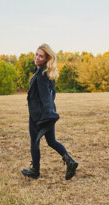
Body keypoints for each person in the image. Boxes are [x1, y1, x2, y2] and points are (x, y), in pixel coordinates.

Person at [22, 43, 78, 180]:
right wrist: (50, 113)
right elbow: (52, 95)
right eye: (36, 54)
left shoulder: (41, 75)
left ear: (47, 59)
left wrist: (47, 115)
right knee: (51, 141)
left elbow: (47, 97)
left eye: (41, 56)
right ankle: (70, 161)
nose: (37, 58)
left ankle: (35, 170)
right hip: (47, 113)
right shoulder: (47, 73)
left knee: (35, 143)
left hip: (40, 116)